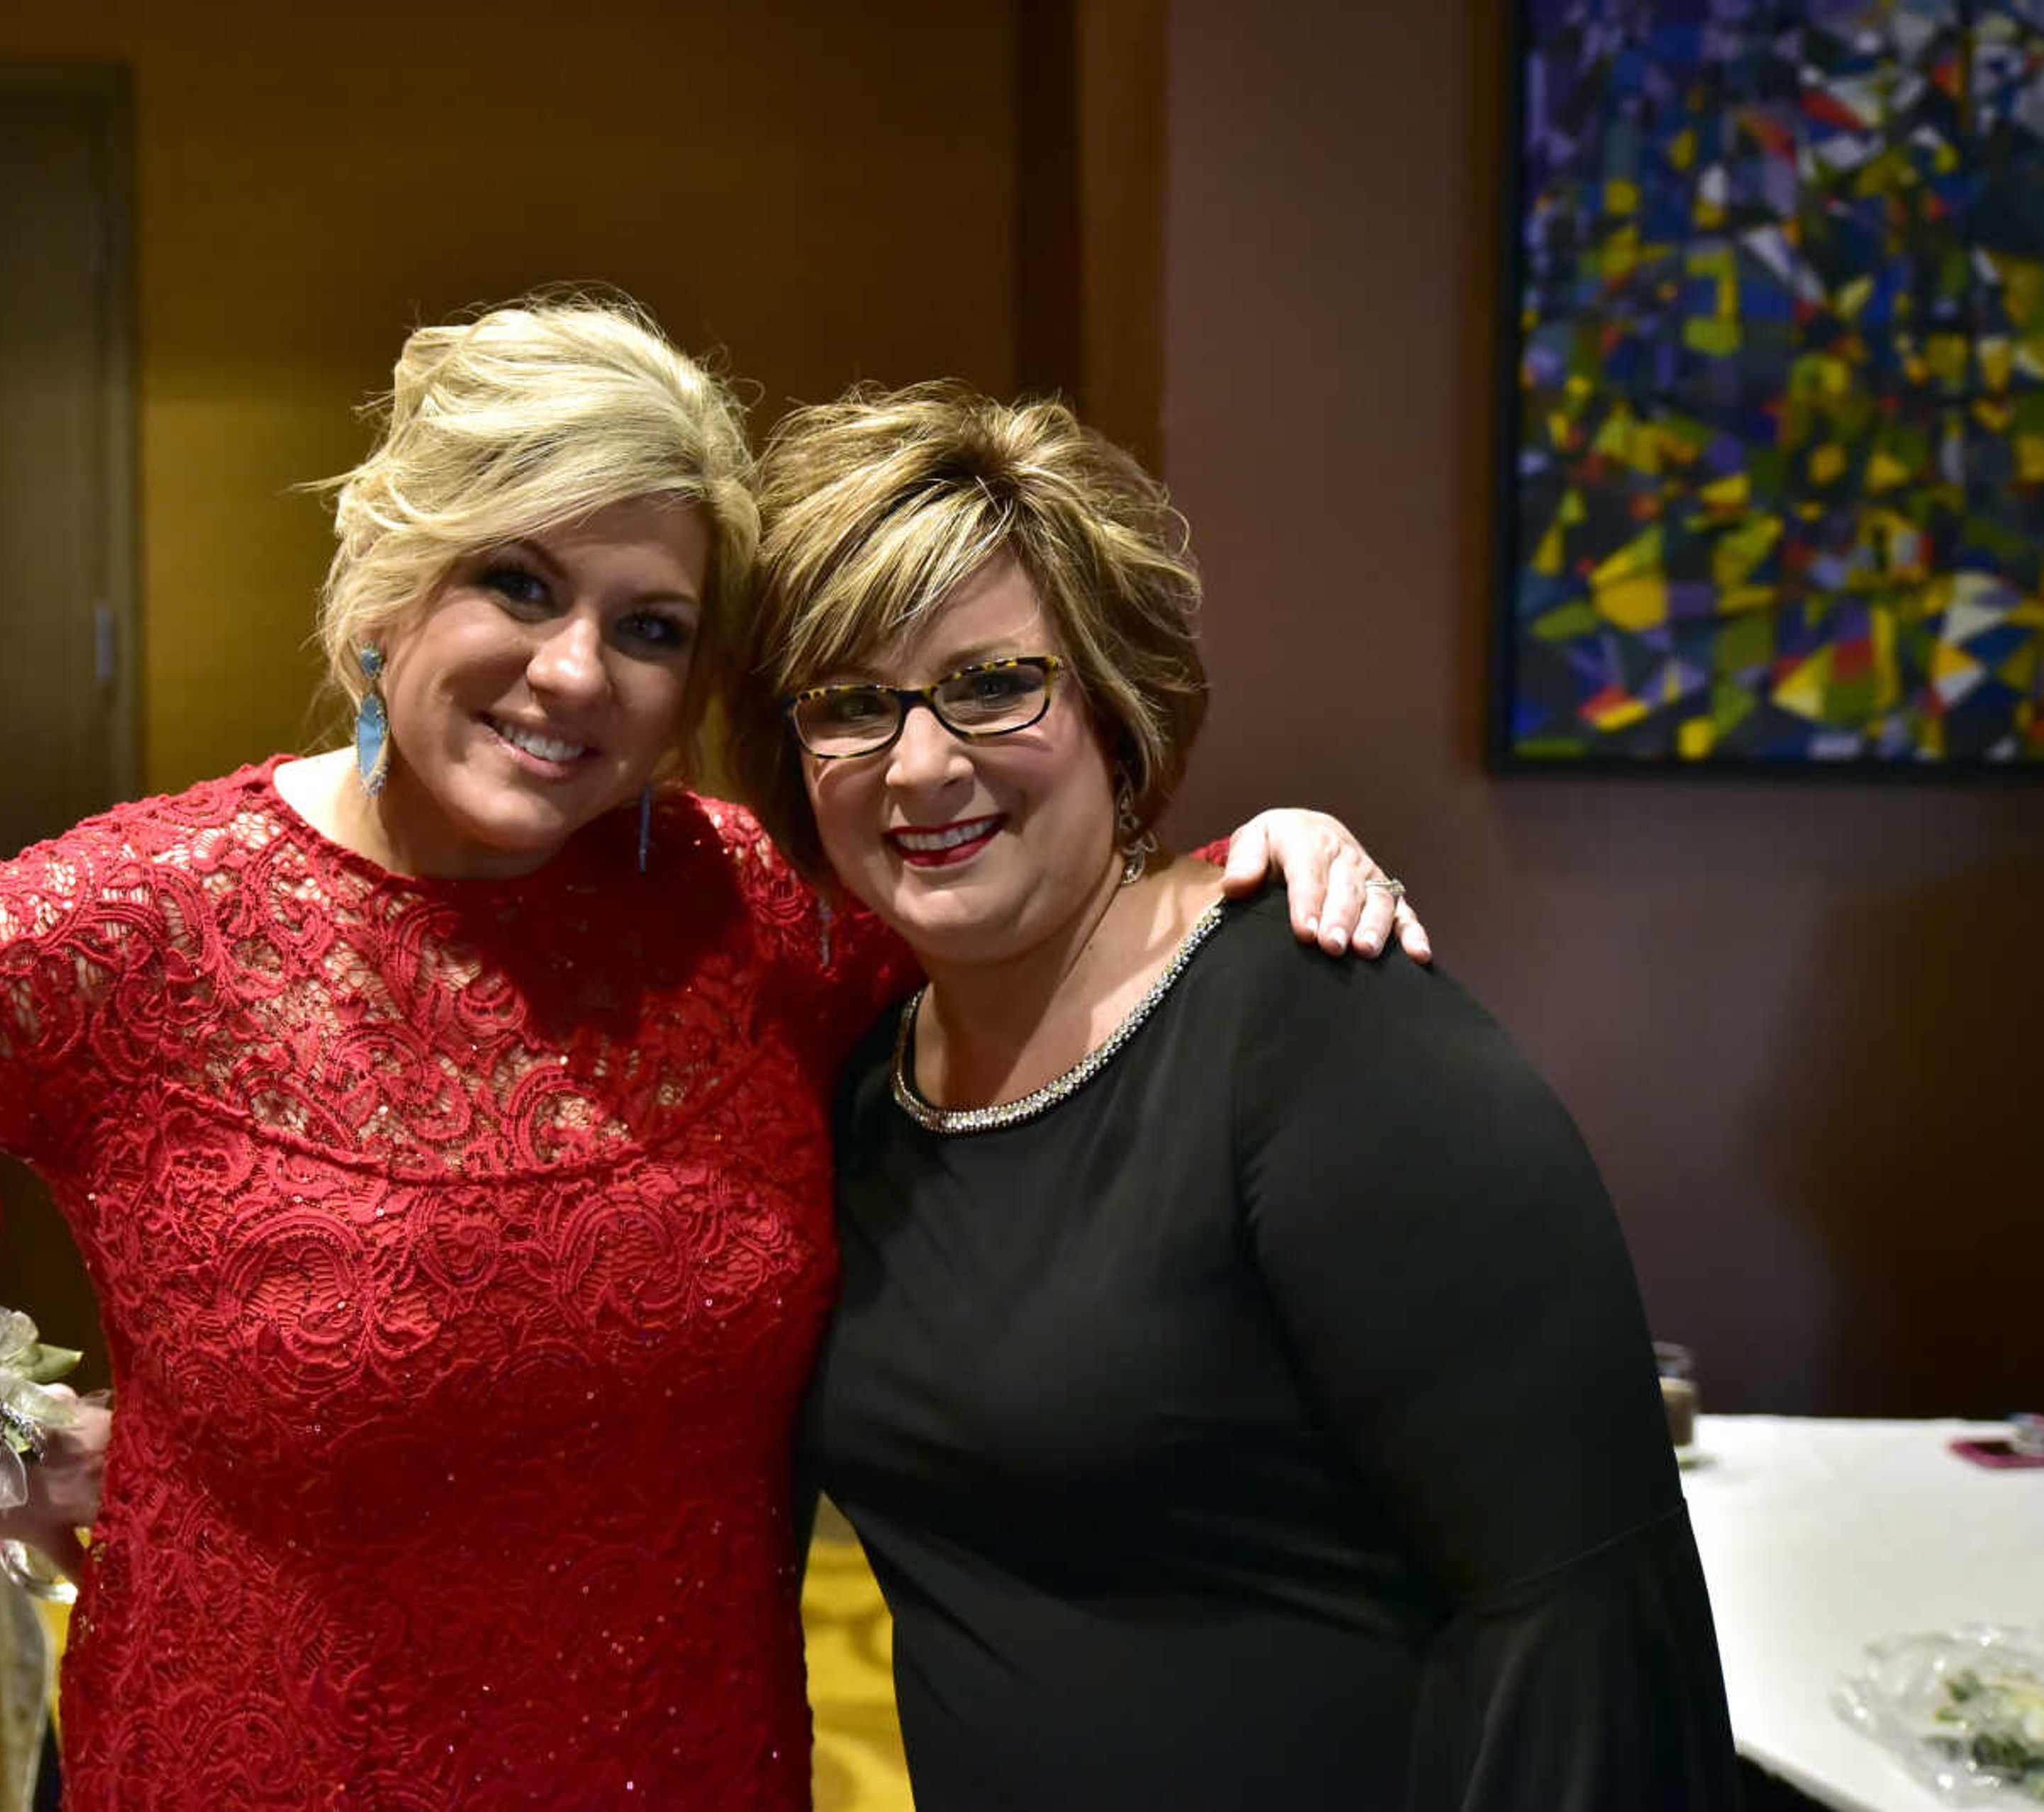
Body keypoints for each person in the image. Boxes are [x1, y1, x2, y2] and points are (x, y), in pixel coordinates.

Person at [0, 296, 1423, 1809]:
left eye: (652, 627)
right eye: (518, 584)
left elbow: (1025, 944)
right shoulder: (137, 925)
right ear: (385, 583)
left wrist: (1231, 872)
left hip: (695, 1768)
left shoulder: (752, 909)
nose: (577, 670)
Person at [737, 382, 1739, 1810]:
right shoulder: (865, 1098)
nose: (921, 761)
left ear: (1115, 705)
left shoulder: (1329, 1030)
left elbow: (1583, 1617)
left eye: (993, 683)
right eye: (852, 704)